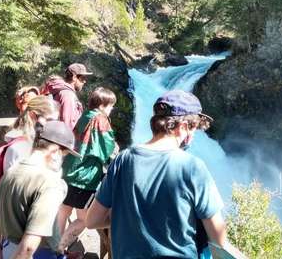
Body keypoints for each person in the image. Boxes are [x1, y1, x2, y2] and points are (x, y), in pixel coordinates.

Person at [86, 90, 228, 259]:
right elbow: (219, 238)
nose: (193, 135)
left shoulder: (123, 159)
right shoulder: (193, 168)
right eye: (194, 128)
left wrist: (130, 218)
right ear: (182, 127)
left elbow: (92, 220)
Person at [0, 120, 81, 259]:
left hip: (8, 249)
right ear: (54, 151)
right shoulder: (50, 183)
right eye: (64, 155)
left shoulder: (12, 172)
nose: (62, 161)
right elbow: (29, 246)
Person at [58, 87, 117, 252]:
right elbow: (108, 146)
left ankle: (53, 247)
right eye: (111, 106)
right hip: (85, 176)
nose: (111, 110)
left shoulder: (85, 115)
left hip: (69, 169)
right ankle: (59, 247)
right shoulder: (101, 120)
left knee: (63, 211)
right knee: (85, 219)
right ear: (104, 105)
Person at [3, 95, 59, 172]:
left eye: (55, 122)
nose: (53, 125)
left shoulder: (40, 141)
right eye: (49, 120)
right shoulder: (19, 147)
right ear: (32, 115)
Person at [42, 63, 92, 130]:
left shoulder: (62, 91)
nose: (84, 81)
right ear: (74, 77)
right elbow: (67, 124)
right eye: (82, 78)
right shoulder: (68, 95)